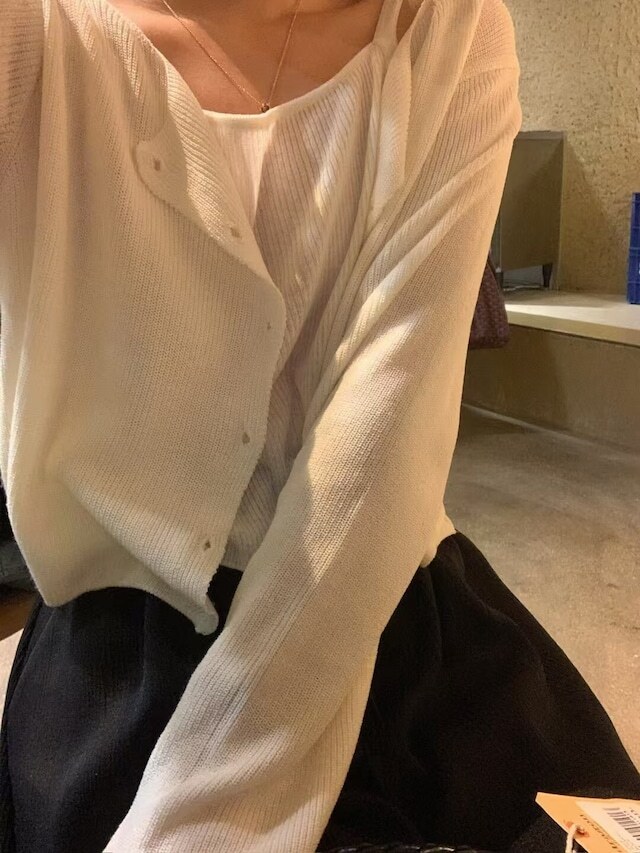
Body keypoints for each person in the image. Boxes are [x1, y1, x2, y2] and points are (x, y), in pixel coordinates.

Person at [0, 0, 638, 851]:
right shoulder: (38, 33)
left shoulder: (446, 30)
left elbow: (380, 455)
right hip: (126, 642)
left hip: (384, 600)